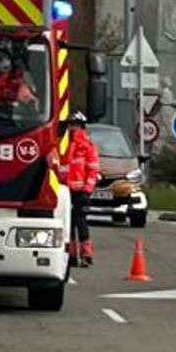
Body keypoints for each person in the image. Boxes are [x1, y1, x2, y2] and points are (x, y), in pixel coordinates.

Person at [62, 110, 100, 267]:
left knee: (81, 222)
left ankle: (86, 254)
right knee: (68, 224)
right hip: (65, 191)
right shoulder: (62, 145)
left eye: (75, 125)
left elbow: (93, 169)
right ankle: (71, 255)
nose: (72, 128)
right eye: (70, 125)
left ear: (82, 126)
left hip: (80, 192)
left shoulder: (88, 147)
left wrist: (87, 189)